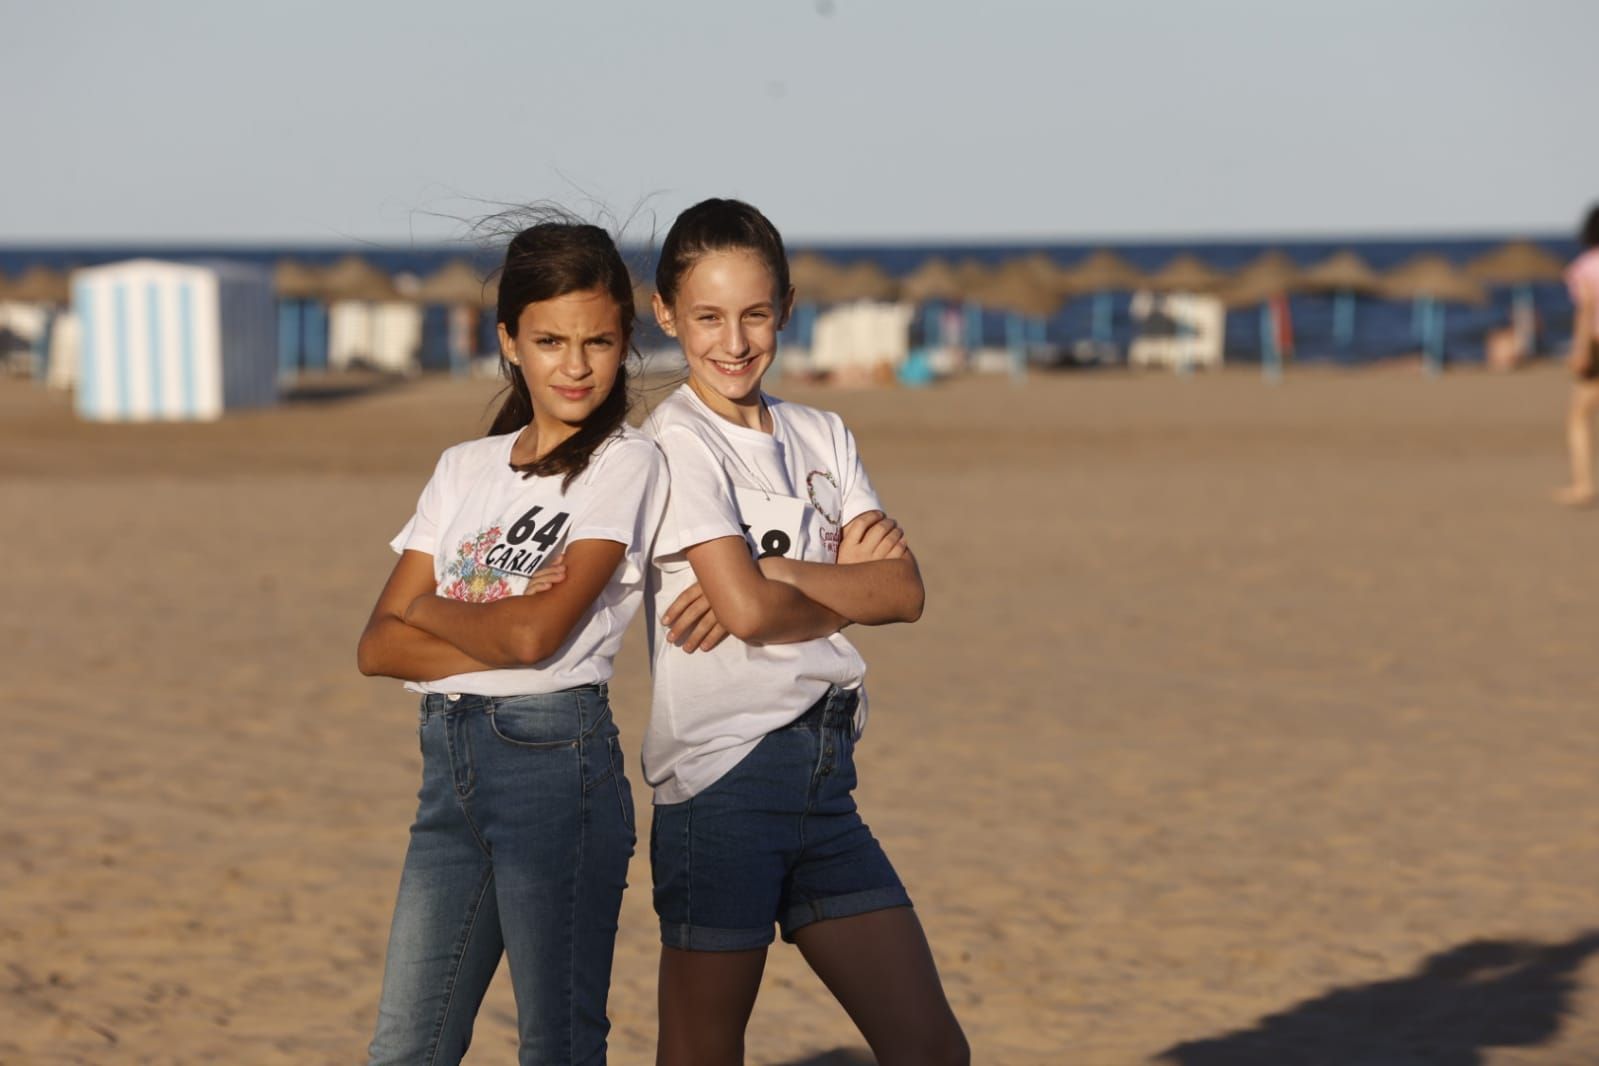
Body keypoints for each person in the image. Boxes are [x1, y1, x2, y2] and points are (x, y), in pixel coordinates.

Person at [640, 198, 969, 1066]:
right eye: (707, 317)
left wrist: (775, 572)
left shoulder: (822, 431)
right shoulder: (676, 442)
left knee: (932, 1049)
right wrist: (832, 586)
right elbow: (744, 616)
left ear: (787, 307)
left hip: (825, 778)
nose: (734, 341)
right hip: (723, 781)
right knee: (703, 1052)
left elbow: (903, 591)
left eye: (755, 314)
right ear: (665, 314)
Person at [356, 220, 666, 1065]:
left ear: (624, 343)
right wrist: (485, 626)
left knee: (555, 1044)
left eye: (598, 341)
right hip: (447, 773)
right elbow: (377, 645)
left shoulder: (625, 466)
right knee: (404, 1047)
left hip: (553, 768)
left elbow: (534, 634)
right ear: (509, 342)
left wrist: (436, 609)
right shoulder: (465, 467)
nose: (575, 364)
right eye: (550, 340)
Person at [1556, 204, 1599, 506]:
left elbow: (1585, 310)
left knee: (1578, 417)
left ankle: (1583, 484)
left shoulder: (1584, 267)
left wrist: (1579, 349)